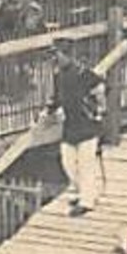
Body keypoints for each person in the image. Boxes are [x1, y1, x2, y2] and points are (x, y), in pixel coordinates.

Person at [49, 36, 106, 216]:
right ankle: (86, 192)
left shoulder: (82, 72)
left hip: (87, 124)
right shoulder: (58, 76)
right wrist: (48, 111)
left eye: (56, 54)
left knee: (86, 164)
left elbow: (100, 86)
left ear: (67, 55)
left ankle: (87, 201)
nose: (54, 59)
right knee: (67, 162)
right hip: (71, 124)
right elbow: (57, 98)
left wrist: (99, 109)